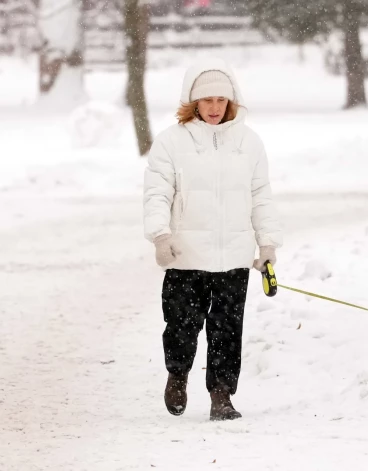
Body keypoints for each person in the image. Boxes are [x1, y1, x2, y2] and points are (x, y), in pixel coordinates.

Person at [143, 60, 283, 421]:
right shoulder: (171, 142)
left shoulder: (249, 143)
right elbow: (157, 193)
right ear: (192, 102)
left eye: (222, 99)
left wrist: (267, 245)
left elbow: (261, 196)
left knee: (226, 330)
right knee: (180, 324)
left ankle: (221, 396)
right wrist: (160, 235)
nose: (215, 107)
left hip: (233, 259)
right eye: (207, 100)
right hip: (186, 257)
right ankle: (177, 374)